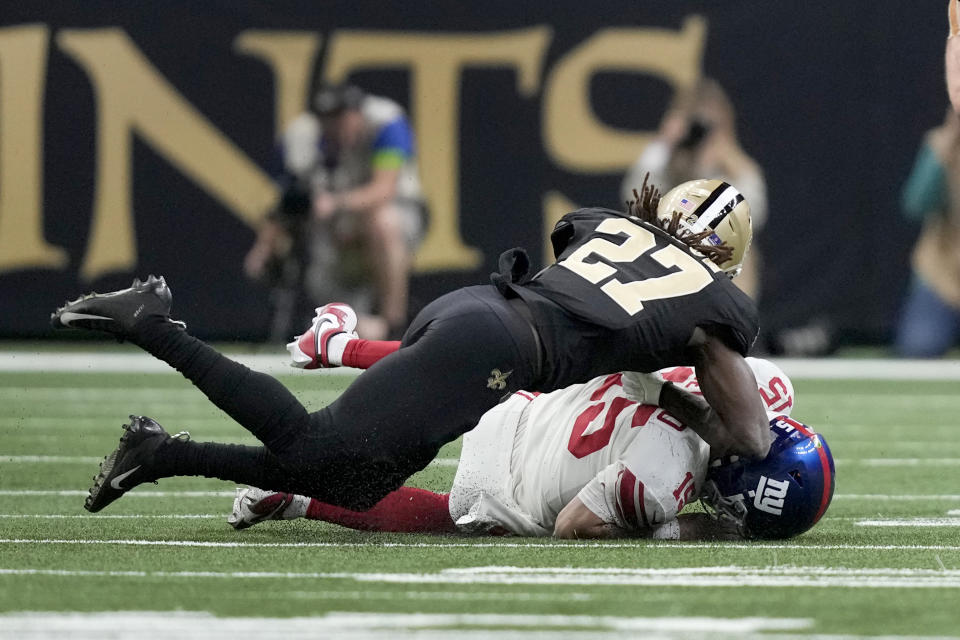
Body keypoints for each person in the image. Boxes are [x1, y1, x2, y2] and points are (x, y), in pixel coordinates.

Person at [50, 176, 770, 518]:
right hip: (495, 351)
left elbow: (589, 291)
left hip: (478, 312)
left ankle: (158, 454)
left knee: (354, 480)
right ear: (729, 261)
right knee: (314, 447)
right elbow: (750, 434)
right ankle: (154, 327)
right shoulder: (716, 306)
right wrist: (679, 400)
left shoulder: (604, 223)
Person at [228, 355, 834, 541]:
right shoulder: (665, 476)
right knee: (455, 516)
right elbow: (574, 525)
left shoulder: (765, 386)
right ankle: (299, 498)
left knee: (480, 361)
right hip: (514, 477)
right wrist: (687, 531)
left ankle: (347, 351)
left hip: (537, 405)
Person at [243, 83, 425, 341]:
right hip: (334, 234)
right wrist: (264, 248)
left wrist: (336, 203)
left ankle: (394, 322)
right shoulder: (303, 135)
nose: (337, 126)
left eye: (342, 117)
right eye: (328, 119)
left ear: (357, 112)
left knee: (383, 221)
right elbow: (287, 199)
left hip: (392, 219)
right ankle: (370, 328)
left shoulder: (385, 123)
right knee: (340, 330)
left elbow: (384, 189)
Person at [621, 79, 767, 301]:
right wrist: (667, 151)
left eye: (708, 126)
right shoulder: (662, 158)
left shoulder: (733, 165)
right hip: (666, 265)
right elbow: (635, 203)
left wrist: (723, 164)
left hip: (718, 275)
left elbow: (753, 216)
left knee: (743, 256)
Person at [895, 107, 960, 357]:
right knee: (919, 349)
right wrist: (941, 156)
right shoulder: (939, 146)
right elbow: (915, 205)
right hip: (942, 275)